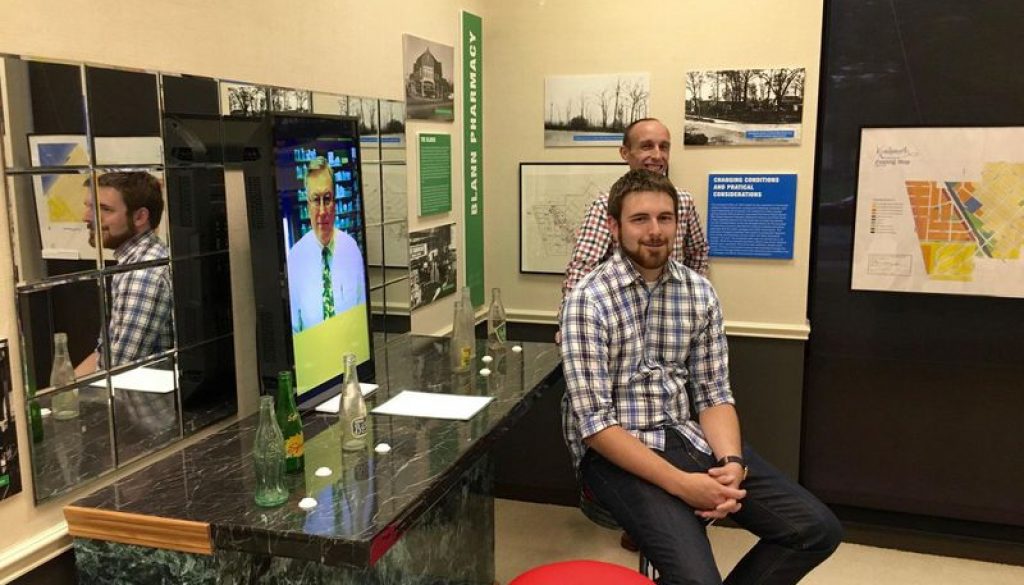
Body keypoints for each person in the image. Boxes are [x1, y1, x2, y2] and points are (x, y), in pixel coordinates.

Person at [561, 169, 841, 585]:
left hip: (684, 436)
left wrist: (731, 463)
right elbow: (596, 426)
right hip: (613, 453)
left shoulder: (698, 292)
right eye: (640, 219)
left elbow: (714, 394)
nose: (655, 231)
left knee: (816, 531)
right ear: (614, 227)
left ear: (678, 222)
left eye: (665, 218)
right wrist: (683, 485)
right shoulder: (588, 299)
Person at [559, 118, 709, 327]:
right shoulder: (605, 205)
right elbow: (583, 266)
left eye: (663, 147)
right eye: (647, 146)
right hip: (623, 318)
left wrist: (692, 298)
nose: (657, 155)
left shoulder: (683, 201)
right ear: (625, 153)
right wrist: (570, 323)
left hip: (672, 317)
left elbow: (697, 252)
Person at [76, 172, 173, 376]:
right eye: (89, 206)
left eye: (104, 209)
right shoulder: (136, 260)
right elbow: (105, 354)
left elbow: (118, 370)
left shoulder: (142, 272)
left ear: (140, 217)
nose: (87, 217)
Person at [287, 156, 366, 333]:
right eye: (316, 200)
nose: (322, 211)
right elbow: (295, 330)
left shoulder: (352, 250)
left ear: (335, 203)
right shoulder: (295, 259)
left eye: (327, 199)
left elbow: (362, 319)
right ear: (308, 205)